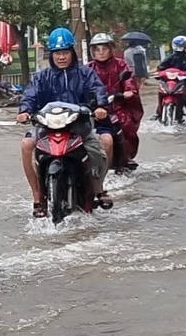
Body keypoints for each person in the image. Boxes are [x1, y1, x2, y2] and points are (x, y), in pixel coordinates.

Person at [17, 28, 111, 217]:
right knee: (27, 145)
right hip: (47, 127)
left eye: (65, 52)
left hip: (79, 126)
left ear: (72, 53)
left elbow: (98, 90)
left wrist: (100, 106)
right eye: (57, 53)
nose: (61, 57)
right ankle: (37, 197)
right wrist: (25, 111)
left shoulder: (85, 74)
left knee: (101, 147)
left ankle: (98, 187)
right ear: (52, 55)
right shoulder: (42, 77)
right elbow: (30, 95)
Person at [87, 33, 143, 171]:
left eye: (104, 48)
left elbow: (129, 80)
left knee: (126, 125)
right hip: (94, 108)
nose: (100, 52)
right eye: (96, 49)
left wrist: (128, 91)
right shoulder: (88, 68)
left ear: (110, 49)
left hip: (117, 106)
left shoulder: (121, 64)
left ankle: (125, 157)